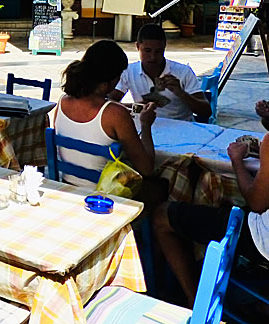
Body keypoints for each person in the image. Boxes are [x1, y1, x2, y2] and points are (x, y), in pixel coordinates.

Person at [154, 99, 269, 306]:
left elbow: (257, 203)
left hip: (263, 242)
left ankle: (192, 300)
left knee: (162, 215)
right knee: (214, 195)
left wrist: (236, 160)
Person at [55, 40, 156, 189]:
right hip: (103, 193)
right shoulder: (115, 114)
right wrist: (146, 125)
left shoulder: (63, 102)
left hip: (67, 185)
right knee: (161, 186)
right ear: (110, 80)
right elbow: (146, 168)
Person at [109, 23, 210, 121]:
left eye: (158, 51)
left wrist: (181, 93)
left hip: (180, 127)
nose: (153, 57)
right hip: (146, 125)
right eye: (147, 50)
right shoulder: (128, 71)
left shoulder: (183, 72)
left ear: (165, 48)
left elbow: (206, 111)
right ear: (137, 47)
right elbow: (110, 102)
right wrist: (139, 107)